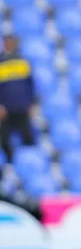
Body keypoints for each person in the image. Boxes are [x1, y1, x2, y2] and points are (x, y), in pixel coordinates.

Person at [0, 35, 37, 168]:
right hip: (5, 110)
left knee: (28, 137)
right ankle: (9, 166)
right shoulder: (1, 63)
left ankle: (29, 165)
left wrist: (31, 104)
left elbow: (30, 85)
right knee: (4, 139)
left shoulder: (23, 62)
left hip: (22, 108)